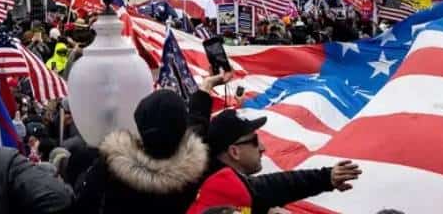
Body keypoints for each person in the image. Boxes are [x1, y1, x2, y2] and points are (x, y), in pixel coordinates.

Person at [187, 109, 361, 214]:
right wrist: (325, 177)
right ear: (234, 151)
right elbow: (273, 186)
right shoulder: (224, 184)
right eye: (255, 141)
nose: (263, 148)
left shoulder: (208, 177)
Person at [71, 89, 207, 214]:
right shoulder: (197, 175)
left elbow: (83, 206)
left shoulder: (110, 169)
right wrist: (203, 95)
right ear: (183, 129)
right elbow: (201, 128)